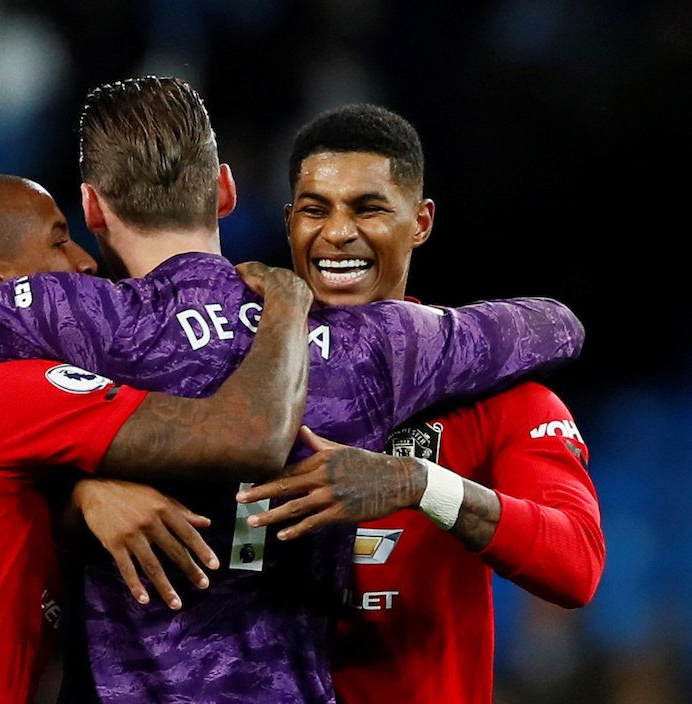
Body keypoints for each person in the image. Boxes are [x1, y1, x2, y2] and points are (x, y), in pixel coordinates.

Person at [0, 77, 585, 704]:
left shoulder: (73, 320)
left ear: (93, 209)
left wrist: (80, 484)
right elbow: (554, 325)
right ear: (226, 191)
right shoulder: (377, 344)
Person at [0, 173, 317, 704]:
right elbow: (250, 437)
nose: (85, 262)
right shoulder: (0, 392)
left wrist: (85, 493)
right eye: (58, 241)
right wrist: (286, 305)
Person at [233, 104, 605, 703]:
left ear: (421, 222)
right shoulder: (231, 380)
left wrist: (420, 484)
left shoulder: (500, 395)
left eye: (368, 208)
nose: (337, 233)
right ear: (289, 222)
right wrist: (95, 496)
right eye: (315, 209)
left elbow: (577, 565)